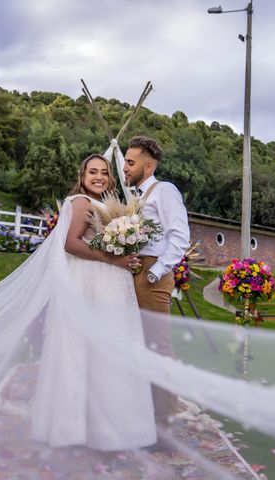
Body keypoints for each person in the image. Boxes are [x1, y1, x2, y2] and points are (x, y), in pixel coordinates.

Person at [30, 153, 157, 450]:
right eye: (93, 172)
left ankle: (109, 425)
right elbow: (69, 243)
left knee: (109, 351)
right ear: (82, 175)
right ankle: (77, 427)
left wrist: (125, 251)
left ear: (110, 177)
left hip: (109, 283)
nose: (99, 177)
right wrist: (114, 259)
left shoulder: (104, 204)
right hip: (91, 283)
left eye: (104, 172)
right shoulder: (79, 202)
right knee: (88, 349)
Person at [123, 136, 190, 440]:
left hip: (153, 273)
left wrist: (156, 271)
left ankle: (163, 426)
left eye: (130, 162)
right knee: (136, 343)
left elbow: (179, 237)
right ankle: (140, 414)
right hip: (134, 270)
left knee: (158, 347)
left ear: (148, 166)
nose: (124, 166)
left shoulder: (165, 191)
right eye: (125, 160)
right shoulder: (133, 196)